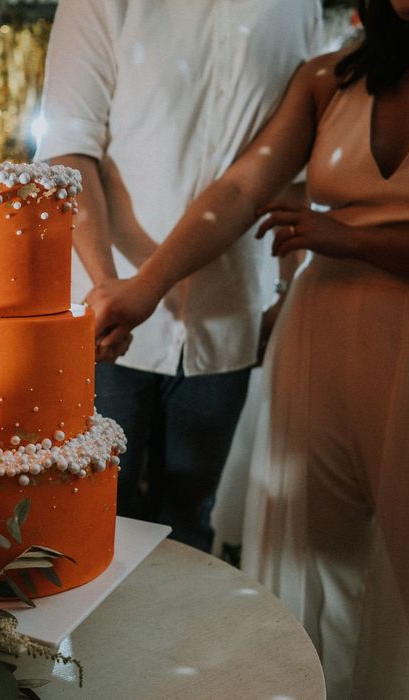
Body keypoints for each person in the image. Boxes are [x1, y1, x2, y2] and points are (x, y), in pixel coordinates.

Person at [85, 1, 409, 696]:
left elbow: (327, 228)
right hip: (319, 348)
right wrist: (146, 284)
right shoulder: (329, 79)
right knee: (309, 562)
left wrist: (350, 238)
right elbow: (239, 188)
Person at [35, 0, 322, 551]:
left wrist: (284, 286)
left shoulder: (295, 5)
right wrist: (105, 283)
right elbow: (68, 150)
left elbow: (292, 167)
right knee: (92, 520)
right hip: (103, 322)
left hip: (231, 311)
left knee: (190, 525)